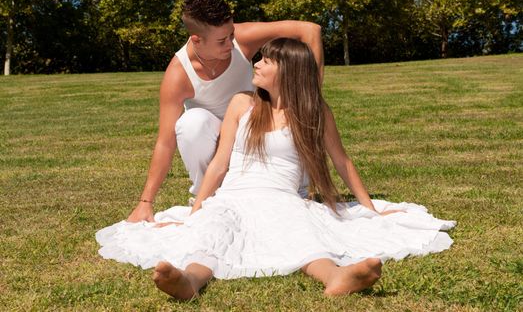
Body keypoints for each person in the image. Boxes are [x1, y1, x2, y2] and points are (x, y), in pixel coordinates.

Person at [96, 38, 455, 299]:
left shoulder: (314, 112)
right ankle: (188, 282)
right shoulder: (242, 105)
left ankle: (337, 277)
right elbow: (219, 164)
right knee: (214, 232)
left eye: (266, 61)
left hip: (282, 197)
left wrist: (370, 207)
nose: (257, 64)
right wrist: (196, 211)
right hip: (233, 196)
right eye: (259, 59)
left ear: (289, 70)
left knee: (298, 233)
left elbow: (341, 161)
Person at [127, 0, 323, 223]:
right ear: (197, 39)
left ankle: (296, 189)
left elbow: (310, 30)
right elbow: (165, 141)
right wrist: (145, 203)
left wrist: (310, 94)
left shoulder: (242, 38)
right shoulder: (178, 75)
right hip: (218, 146)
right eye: (222, 41)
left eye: (231, 35)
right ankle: (207, 198)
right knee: (192, 123)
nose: (231, 44)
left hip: (258, 132)